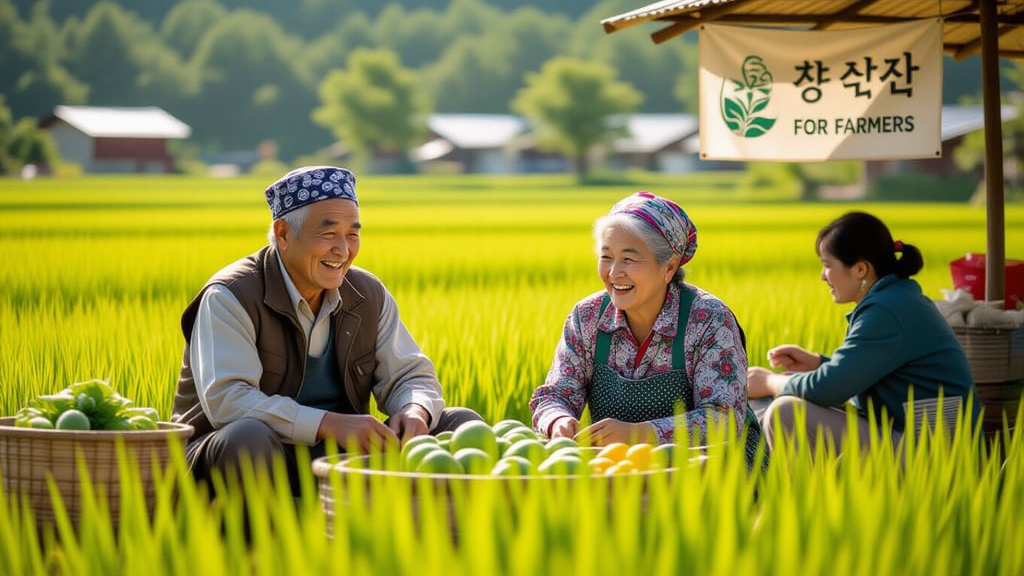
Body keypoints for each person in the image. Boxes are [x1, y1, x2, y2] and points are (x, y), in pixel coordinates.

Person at [172, 166, 482, 492]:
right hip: (246, 453)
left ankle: (439, 539)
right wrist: (328, 424)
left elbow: (410, 375)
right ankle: (255, 541)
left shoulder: (366, 294)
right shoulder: (231, 295)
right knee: (247, 437)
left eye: (353, 234)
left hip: (336, 454)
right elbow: (228, 402)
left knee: (458, 423)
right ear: (283, 234)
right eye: (328, 233)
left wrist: (414, 409)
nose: (344, 250)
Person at [529, 191, 763, 466]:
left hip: (712, 468)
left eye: (629, 259)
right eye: (606, 257)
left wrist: (640, 434)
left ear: (669, 267)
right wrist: (558, 420)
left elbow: (723, 419)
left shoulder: (708, 319)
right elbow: (556, 394)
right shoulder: (587, 317)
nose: (614, 272)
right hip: (622, 467)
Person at [747, 211, 981, 453]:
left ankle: (799, 490)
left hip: (932, 453)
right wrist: (817, 363)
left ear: (860, 269)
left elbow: (830, 388)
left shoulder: (887, 310)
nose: (822, 276)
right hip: (918, 438)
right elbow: (864, 375)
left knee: (786, 412)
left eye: (827, 265)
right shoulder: (898, 299)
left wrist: (770, 381)